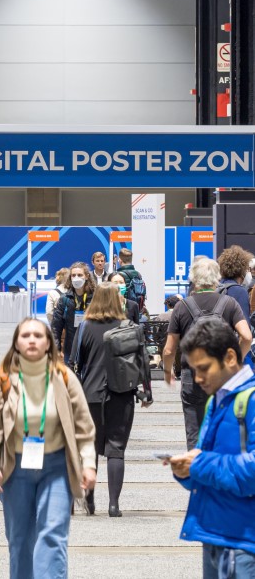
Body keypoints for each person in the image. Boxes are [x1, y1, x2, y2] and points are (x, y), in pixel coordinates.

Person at [0, 317, 96, 579]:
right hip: (14, 466)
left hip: (56, 467)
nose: (32, 340)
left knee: (52, 535)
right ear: (16, 344)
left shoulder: (64, 377)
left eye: (38, 335)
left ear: (48, 344)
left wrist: (88, 463)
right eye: (25, 335)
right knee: (19, 540)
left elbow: (84, 426)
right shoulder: (1, 378)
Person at [169, 319, 255, 579]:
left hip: (242, 541)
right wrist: (187, 472)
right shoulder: (217, 400)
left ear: (230, 357)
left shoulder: (249, 400)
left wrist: (199, 465)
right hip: (217, 534)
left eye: (203, 368)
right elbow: (208, 465)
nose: (197, 378)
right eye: (193, 369)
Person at [69, 282, 151, 518]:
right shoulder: (130, 327)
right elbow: (143, 362)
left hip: (90, 394)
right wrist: (147, 393)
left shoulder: (85, 327)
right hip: (122, 394)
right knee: (116, 449)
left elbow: (74, 362)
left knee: (90, 448)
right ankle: (114, 505)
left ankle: (90, 502)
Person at [163, 257, 252, 449]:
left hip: (192, 376)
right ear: (216, 278)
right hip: (223, 377)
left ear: (193, 279)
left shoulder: (182, 306)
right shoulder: (229, 303)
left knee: (194, 434)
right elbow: (246, 336)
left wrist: (167, 371)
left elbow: (169, 349)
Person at [51, 262, 95, 364]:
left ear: (87, 276)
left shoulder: (95, 298)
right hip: (70, 348)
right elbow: (56, 327)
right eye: (73, 275)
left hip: (91, 347)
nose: (76, 278)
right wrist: (56, 349)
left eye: (79, 275)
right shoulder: (64, 299)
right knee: (71, 378)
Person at [218, 244, 253, 322]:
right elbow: (244, 324)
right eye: (247, 269)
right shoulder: (240, 292)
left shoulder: (217, 287)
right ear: (242, 270)